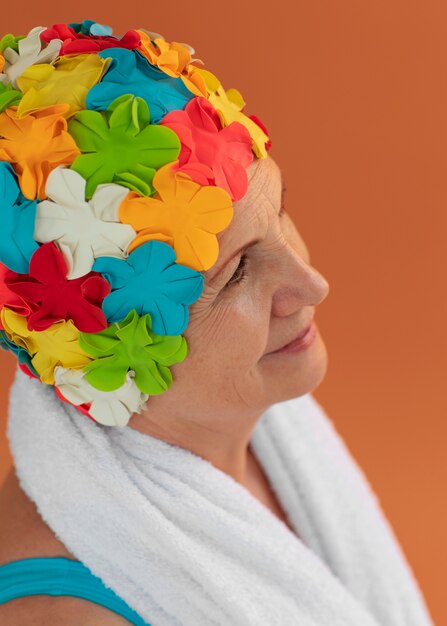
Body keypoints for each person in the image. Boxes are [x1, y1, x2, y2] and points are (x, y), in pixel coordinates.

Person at [0, 19, 434, 626]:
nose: (312, 286)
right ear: (105, 357)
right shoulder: (65, 614)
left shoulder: (248, 425)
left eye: (280, 213)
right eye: (235, 274)